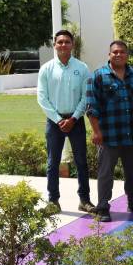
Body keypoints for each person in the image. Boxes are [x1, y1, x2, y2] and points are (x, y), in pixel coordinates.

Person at [86, 40, 133, 223]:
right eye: (114, 52)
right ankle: (103, 207)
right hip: (109, 136)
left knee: (131, 172)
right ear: (109, 55)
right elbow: (91, 107)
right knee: (105, 173)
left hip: (131, 135)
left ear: (127, 55)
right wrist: (96, 132)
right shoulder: (98, 76)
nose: (118, 55)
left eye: (122, 52)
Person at [36, 30, 93, 214]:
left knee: (81, 161)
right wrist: (60, 119)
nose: (63, 45)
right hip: (55, 122)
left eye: (67, 42)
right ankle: (53, 201)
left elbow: (86, 96)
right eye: (59, 42)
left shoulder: (82, 68)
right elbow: (42, 98)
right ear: (54, 45)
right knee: (53, 162)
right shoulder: (46, 69)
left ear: (72, 45)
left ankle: (84, 200)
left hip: (76, 121)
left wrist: (74, 117)